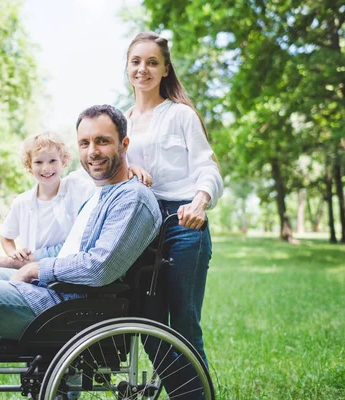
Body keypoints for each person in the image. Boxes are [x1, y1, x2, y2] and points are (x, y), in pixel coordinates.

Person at [0, 104, 162, 400]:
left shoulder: (132, 200)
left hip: (70, 307)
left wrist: (37, 270)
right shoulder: (100, 193)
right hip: (56, 290)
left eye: (102, 141)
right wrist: (15, 261)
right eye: (85, 142)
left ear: (124, 144)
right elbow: (65, 250)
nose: (93, 151)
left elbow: (99, 267)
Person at [123, 30, 223, 387]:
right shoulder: (122, 121)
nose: (143, 69)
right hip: (139, 227)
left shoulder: (181, 115)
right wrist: (129, 169)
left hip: (183, 222)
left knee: (183, 325)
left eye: (152, 62)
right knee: (147, 323)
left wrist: (200, 200)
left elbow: (207, 167)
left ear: (165, 69)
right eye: (136, 62)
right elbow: (106, 170)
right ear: (127, 68)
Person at [0, 131, 152, 262]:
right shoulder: (22, 202)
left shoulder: (77, 186)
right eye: (38, 162)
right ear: (29, 166)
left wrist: (131, 169)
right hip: (30, 266)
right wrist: (12, 253)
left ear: (63, 161)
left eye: (52, 160)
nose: (46, 168)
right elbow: (6, 235)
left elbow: (108, 178)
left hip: (64, 266)